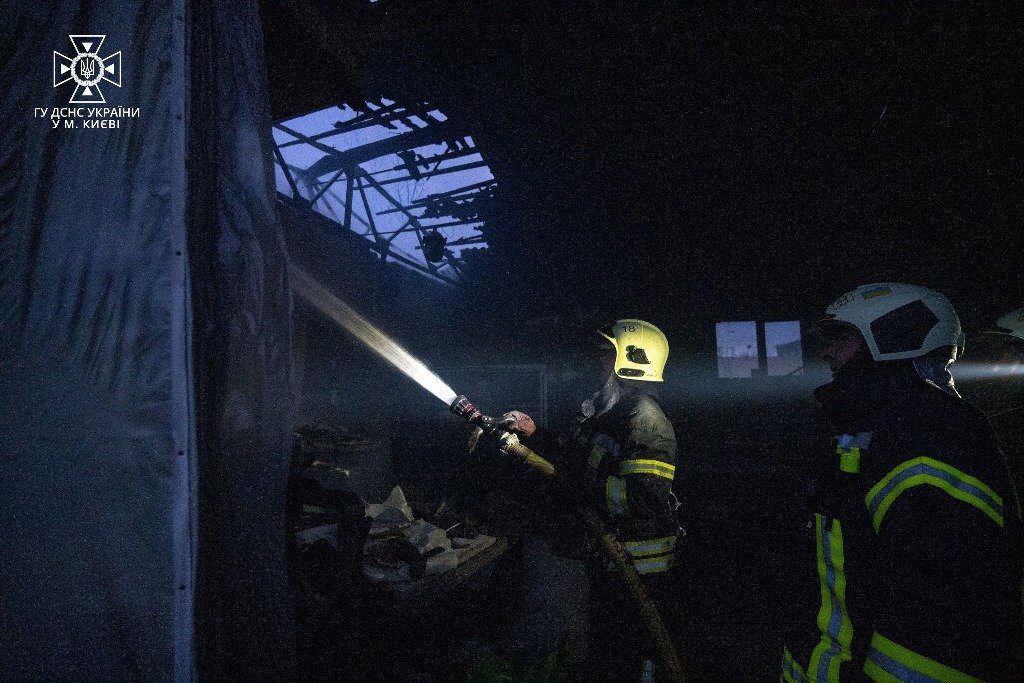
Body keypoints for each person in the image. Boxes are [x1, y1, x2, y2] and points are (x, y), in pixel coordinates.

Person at [781, 283, 1024, 682]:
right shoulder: (874, 426)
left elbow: (943, 614)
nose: (827, 352)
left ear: (892, 339)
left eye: (843, 337)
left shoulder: (931, 433)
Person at [504, 319, 679, 681]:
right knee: (610, 655)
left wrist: (578, 488)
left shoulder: (646, 421)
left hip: (640, 570)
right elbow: (576, 463)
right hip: (613, 561)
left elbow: (644, 500)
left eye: (607, 354)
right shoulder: (614, 414)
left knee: (632, 659)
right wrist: (534, 434)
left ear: (633, 362)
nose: (599, 362)